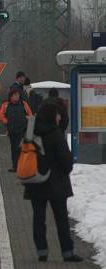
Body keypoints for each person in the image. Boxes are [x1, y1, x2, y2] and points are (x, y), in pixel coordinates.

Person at [23, 103, 82, 263]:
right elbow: (66, 159)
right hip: (56, 183)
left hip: (35, 181)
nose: (59, 117)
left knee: (38, 218)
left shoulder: (31, 130)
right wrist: (65, 171)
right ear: (51, 115)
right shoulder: (56, 134)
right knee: (61, 219)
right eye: (57, 114)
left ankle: (42, 252)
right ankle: (67, 253)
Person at [0, 89, 33, 172]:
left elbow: (30, 114)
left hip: (22, 131)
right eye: (15, 95)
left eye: (18, 95)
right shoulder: (6, 105)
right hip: (12, 131)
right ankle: (15, 166)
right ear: (11, 96)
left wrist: (26, 119)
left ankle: (20, 166)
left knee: (20, 148)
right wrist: (7, 122)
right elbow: (1, 115)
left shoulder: (23, 104)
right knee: (14, 149)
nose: (17, 96)